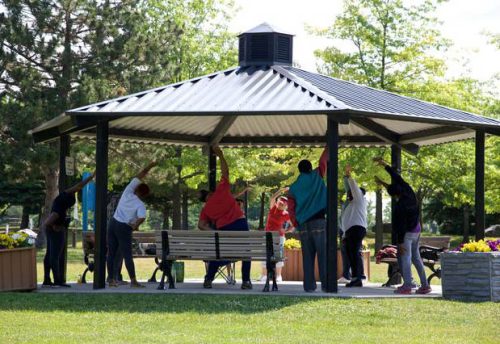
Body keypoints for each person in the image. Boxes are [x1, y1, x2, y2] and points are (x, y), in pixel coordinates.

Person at [374, 157, 431, 295]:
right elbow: (396, 178)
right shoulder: (408, 191)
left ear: (395, 196)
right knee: (416, 258)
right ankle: (425, 285)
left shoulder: (400, 207)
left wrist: (399, 243)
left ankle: (407, 285)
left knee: (405, 257)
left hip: (407, 232)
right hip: (417, 230)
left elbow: (401, 227)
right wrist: (385, 168)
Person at [198, 145, 252, 290]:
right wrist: (220, 155)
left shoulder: (205, 209)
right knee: (246, 252)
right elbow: (226, 172)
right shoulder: (221, 191)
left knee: (221, 254)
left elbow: (201, 225)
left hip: (223, 230)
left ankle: (209, 278)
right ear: (209, 194)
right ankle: (246, 281)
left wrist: (213, 231)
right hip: (240, 225)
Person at [107, 162, 157, 288]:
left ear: (136, 189)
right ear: (145, 195)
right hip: (124, 227)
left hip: (113, 223)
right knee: (127, 254)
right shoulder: (140, 205)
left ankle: (111, 280)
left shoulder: (127, 192)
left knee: (111, 253)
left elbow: (141, 175)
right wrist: (134, 226)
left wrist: (150, 166)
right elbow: (142, 217)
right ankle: (133, 281)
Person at [42, 173, 95, 287]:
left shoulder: (64, 195)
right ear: (67, 204)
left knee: (49, 255)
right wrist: (54, 227)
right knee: (54, 256)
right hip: (55, 231)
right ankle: (58, 281)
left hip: (53, 230)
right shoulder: (59, 210)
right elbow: (48, 222)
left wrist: (90, 178)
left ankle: (47, 280)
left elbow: (79, 186)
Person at [287, 146, 328, 292]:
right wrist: (328, 146)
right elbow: (324, 161)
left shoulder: (294, 187)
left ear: (299, 170)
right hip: (319, 221)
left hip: (303, 224)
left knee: (307, 257)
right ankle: (326, 285)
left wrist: (295, 223)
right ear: (310, 168)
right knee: (323, 255)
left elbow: (290, 208)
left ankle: (309, 286)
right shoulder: (317, 175)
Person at [259, 188, 294, 282]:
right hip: (267, 235)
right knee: (265, 255)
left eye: (283, 203)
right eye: (280, 202)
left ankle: (278, 275)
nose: (280, 204)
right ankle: (264, 275)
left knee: (278, 256)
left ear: (286, 206)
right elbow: (272, 197)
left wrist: (286, 231)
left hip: (279, 237)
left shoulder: (286, 214)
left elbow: (293, 225)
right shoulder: (273, 208)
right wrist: (281, 191)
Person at [341, 164, 367, 287]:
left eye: (351, 192)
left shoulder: (359, 199)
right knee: (351, 254)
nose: (349, 194)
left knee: (354, 253)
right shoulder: (351, 204)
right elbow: (349, 189)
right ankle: (355, 278)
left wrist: (348, 175)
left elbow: (353, 188)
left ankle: (357, 278)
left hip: (356, 229)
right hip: (351, 231)